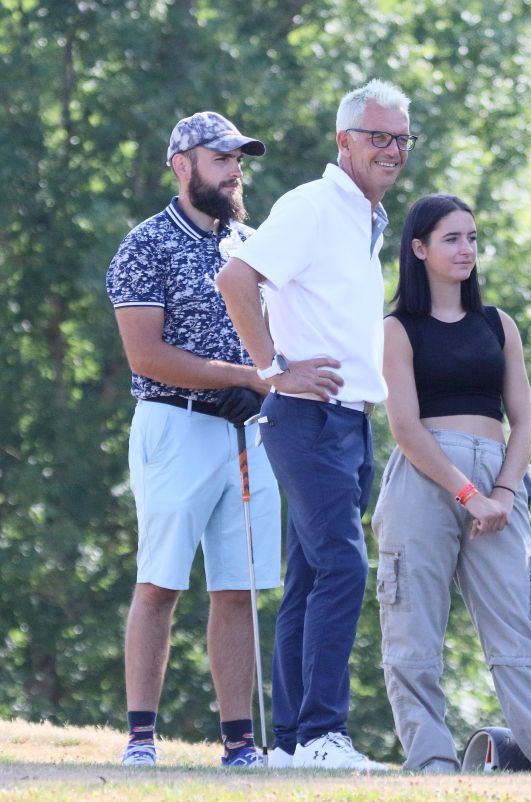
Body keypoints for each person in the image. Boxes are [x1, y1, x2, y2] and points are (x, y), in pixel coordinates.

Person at [215, 79, 414, 771]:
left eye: (401, 139)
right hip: (307, 418)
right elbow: (235, 280)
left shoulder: (364, 216)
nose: (392, 150)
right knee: (342, 566)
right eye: (378, 136)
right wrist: (272, 370)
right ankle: (325, 733)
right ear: (343, 141)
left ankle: (296, 743)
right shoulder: (313, 205)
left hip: (347, 421)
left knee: (309, 577)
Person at [371, 194, 531, 774]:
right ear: (419, 249)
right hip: (425, 478)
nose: (466, 249)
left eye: (472, 238)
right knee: (412, 635)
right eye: (452, 239)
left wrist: (500, 493)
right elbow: (405, 428)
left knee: (518, 635)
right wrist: (467, 495)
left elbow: (524, 422)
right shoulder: (397, 329)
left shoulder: (497, 325)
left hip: (499, 478)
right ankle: (432, 764)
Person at [106, 111, 280, 768]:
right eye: (221, 159)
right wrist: (243, 377)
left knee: (237, 588)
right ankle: (141, 740)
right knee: (160, 583)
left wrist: (262, 385)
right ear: (183, 166)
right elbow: (145, 355)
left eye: (238, 161)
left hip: (247, 429)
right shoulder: (145, 245)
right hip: (174, 424)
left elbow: (279, 337)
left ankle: (239, 745)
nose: (235, 172)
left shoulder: (254, 245)